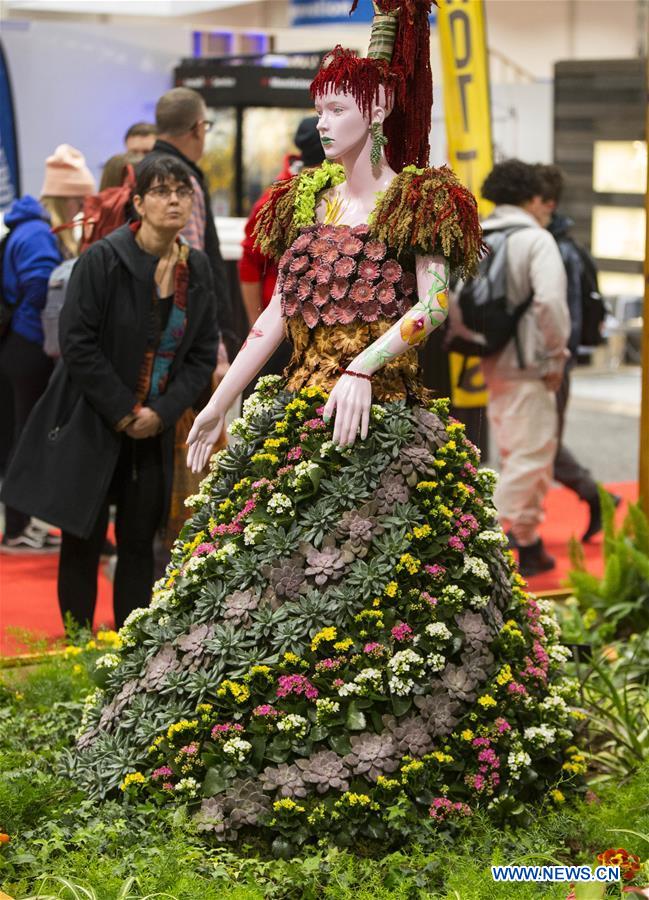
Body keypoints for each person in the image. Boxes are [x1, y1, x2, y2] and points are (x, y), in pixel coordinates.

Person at [72, 1, 579, 845]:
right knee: (255, 569)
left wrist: (361, 366)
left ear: (375, 109)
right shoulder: (305, 198)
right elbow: (277, 312)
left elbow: (432, 304)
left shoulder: (419, 199)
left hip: (382, 416)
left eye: (334, 107)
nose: (321, 120)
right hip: (303, 405)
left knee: (400, 575)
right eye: (318, 107)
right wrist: (224, 399)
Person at [1, 155, 218, 628]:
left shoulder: (195, 268)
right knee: (83, 536)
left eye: (183, 191)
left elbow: (202, 355)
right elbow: (77, 345)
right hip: (94, 421)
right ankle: (77, 645)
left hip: (154, 429)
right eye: (162, 191)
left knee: (141, 542)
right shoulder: (103, 260)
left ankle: (129, 654)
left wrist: (160, 414)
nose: (175, 200)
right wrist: (125, 411)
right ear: (137, 202)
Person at [0, 144, 95, 553]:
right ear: (64, 197)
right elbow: (40, 287)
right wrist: (49, 336)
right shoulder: (40, 233)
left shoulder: (28, 227)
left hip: (20, 345)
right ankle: (17, 527)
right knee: (24, 436)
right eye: (77, 199)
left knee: (17, 432)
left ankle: (19, 523)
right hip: (30, 347)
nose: (80, 208)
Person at [479, 160, 570, 577]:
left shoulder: (480, 234)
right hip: (532, 361)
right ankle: (479, 540)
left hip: (491, 355)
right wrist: (556, 355)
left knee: (523, 450)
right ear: (533, 198)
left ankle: (530, 544)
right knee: (530, 456)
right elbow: (550, 303)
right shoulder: (536, 239)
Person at [534, 163, 620, 541]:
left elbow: (563, 312)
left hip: (551, 362)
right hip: (544, 361)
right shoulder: (551, 242)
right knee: (540, 443)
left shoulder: (558, 249)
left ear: (546, 203)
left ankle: (596, 496)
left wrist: (554, 360)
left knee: (542, 444)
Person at [145, 88, 237, 362]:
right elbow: (192, 266)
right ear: (198, 128)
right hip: (180, 336)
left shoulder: (143, 171)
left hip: (146, 321)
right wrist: (216, 346)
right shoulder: (181, 181)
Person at [238, 116, 325, 384]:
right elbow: (250, 262)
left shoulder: (346, 193)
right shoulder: (276, 199)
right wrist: (258, 325)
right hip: (280, 328)